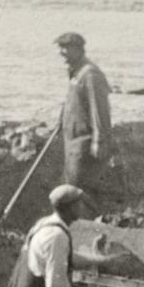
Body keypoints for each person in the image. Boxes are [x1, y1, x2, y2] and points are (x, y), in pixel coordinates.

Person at [57, 32, 114, 211]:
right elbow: (73, 102)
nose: (62, 53)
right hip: (72, 144)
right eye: (60, 48)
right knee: (71, 189)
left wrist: (99, 141)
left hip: (84, 144)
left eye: (66, 48)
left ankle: (85, 229)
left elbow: (99, 110)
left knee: (78, 192)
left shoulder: (90, 75)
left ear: (78, 49)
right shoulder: (76, 73)